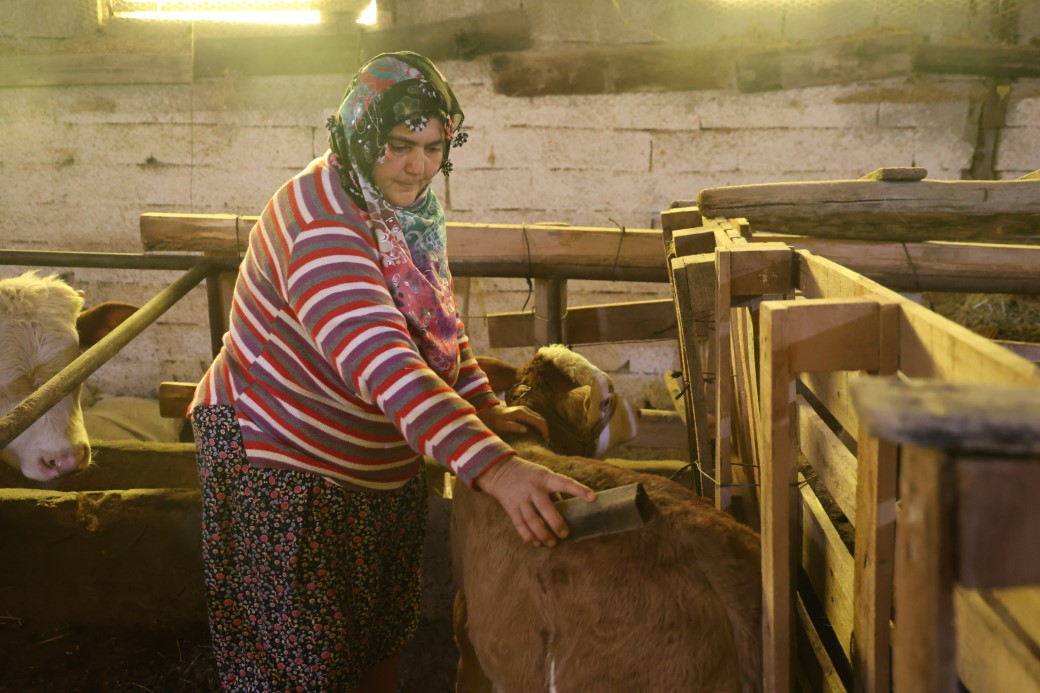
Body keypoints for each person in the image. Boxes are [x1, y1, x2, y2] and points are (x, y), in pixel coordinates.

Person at [188, 51, 595, 693]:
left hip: (377, 463)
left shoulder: (403, 213)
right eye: (402, 146)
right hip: (283, 465)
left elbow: (434, 324)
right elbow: (389, 368)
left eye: (436, 147)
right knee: (299, 665)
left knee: (375, 636)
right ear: (357, 135)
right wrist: (498, 466)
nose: (420, 165)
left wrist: (482, 407)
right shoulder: (322, 224)